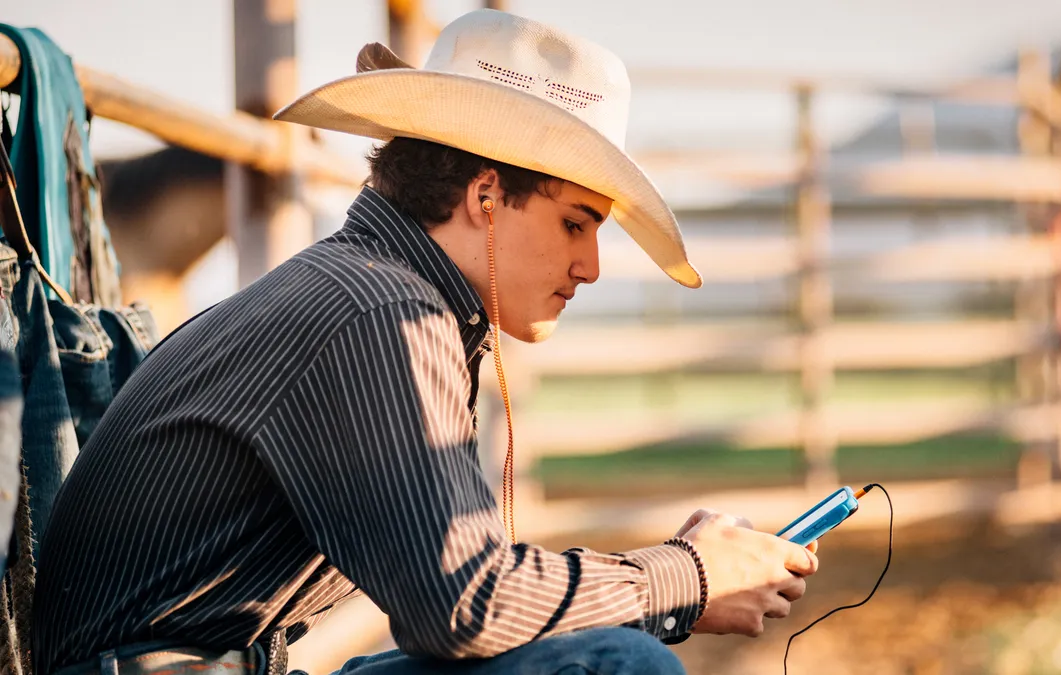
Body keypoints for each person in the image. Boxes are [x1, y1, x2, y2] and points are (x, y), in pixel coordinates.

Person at [31, 9, 819, 675]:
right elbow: (465, 605)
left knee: (611, 648)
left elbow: (466, 594)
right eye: (575, 222)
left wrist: (680, 581)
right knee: (620, 666)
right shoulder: (380, 313)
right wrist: (684, 573)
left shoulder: (373, 290)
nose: (592, 265)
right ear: (485, 194)